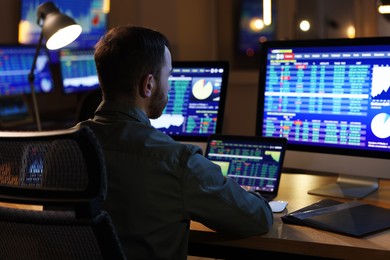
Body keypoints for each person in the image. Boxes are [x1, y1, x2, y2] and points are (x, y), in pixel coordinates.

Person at [73, 25, 273, 259]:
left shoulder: (63, 149)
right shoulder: (177, 161)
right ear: (148, 85)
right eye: (168, 76)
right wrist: (249, 194)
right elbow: (256, 218)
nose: (169, 85)